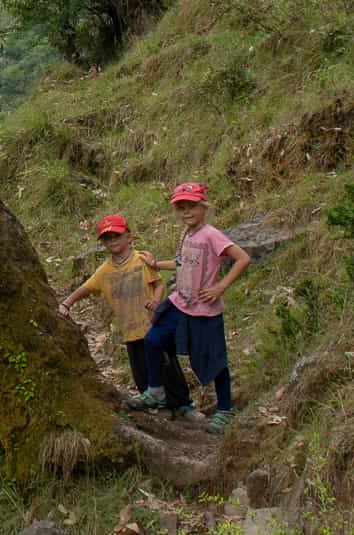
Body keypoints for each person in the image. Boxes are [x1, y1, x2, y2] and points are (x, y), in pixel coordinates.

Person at [129, 182, 250, 434]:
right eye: (181, 208)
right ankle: (156, 391)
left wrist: (220, 287)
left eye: (192, 206)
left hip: (205, 308)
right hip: (180, 302)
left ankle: (224, 410)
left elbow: (243, 258)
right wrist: (156, 264)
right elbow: (182, 262)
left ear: (203, 207)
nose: (187, 212)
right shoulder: (186, 234)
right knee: (153, 339)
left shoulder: (211, 234)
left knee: (216, 361)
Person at [57, 214, 164, 395]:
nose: (113, 240)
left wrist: (155, 301)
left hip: (153, 326)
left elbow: (158, 284)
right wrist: (66, 304)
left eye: (117, 235)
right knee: (141, 373)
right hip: (130, 331)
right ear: (102, 243)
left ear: (128, 236)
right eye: (107, 238)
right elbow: (85, 288)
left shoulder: (142, 259)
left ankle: (182, 403)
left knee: (165, 368)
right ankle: (153, 405)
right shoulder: (104, 271)